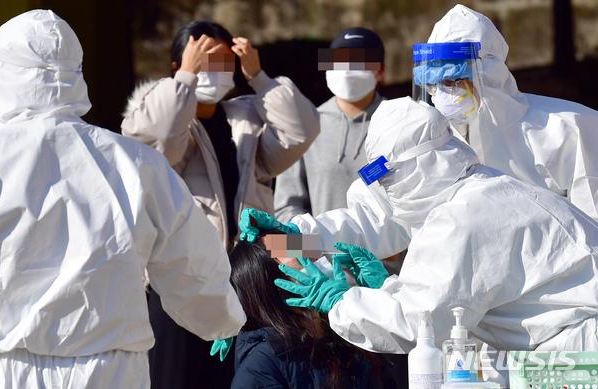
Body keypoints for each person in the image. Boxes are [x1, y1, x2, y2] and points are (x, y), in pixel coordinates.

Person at [0, 10, 245, 388]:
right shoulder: (135, 163)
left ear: (2, 75)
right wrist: (223, 320)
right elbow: (194, 265)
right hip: (110, 372)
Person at [273, 97, 598, 384]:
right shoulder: (471, 187)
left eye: (387, 177)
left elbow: (420, 322)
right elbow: (373, 219)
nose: (385, 188)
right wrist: (289, 239)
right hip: (559, 349)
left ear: (420, 165)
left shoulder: (465, 217)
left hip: (575, 352)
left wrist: (340, 303)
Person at [121, 20, 320, 388]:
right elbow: (160, 137)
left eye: (223, 61)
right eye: (205, 59)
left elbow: (302, 131)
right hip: (179, 290)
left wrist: (259, 77)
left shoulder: (245, 120)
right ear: (177, 65)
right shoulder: (159, 121)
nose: (215, 69)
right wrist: (185, 78)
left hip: (245, 287)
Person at [419, 4, 598, 221]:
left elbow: (592, 221)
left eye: (450, 80)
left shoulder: (569, 130)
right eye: (432, 83)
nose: (440, 93)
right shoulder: (439, 140)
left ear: (489, 73)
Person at [228, 231, 393, 389]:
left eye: (300, 242)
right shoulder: (260, 368)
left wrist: (384, 299)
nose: (310, 251)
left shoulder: (351, 335)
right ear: (267, 282)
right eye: (289, 247)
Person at [273, 27, 386, 224]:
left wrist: (395, 248)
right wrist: (312, 249)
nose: (347, 69)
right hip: (320, 252)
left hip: (385, 254)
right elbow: (285, 209)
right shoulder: (304, 125)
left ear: (380, 71)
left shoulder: (402, 123)